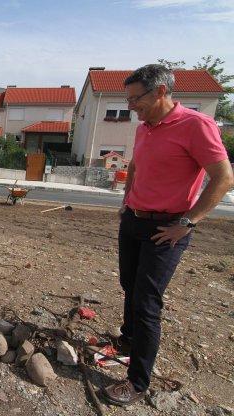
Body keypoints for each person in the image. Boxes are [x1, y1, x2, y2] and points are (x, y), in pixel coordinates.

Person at [104, 64, 234, 406]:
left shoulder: (196, 125)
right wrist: (125, 201)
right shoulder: (146, 127)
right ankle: (129, 339)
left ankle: (137, 382)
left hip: (167, 228)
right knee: (128, 284)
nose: (130, 107)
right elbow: (134, 166)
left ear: (160, 91)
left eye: (135, 99)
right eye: (128, 99)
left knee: (147, 301)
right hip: (133, 219)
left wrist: (188, 222)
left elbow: (223, 178)